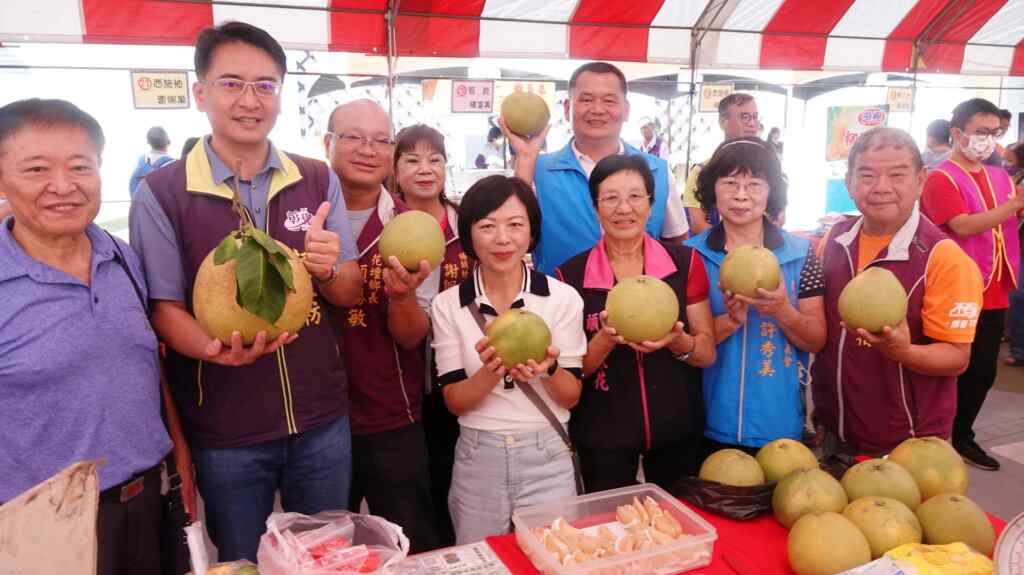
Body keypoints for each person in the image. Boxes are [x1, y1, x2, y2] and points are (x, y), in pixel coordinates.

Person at [129, 22, 362, 561]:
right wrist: (214, 350)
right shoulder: (162, 194)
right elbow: (163, 308)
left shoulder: (315, 178)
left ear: (281, 95)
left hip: (320, 419)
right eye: (232, 83)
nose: (249, 100)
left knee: (326, 558)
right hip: (226, 427)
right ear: (201, 93)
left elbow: (348, 292)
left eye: (265, 85)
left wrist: (327, 271)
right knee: (242, 561)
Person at [0, 98, 195, 574]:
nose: (62, 186)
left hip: (151, 501)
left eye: (80, 166)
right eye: (37, 169)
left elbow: (144, 365)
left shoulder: (122, 257)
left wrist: (181, 460)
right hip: (43, 526)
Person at [431, 175, 586, 544]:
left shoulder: (561, 298)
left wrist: (547, 369)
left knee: (553, 560)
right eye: (487, 226)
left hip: (546, 453)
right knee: (481, 562)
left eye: (515, 225)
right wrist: (490, 370)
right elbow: (455, 401)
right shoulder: (448, 304)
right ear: (469, 235)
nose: (502, 239)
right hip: (477, 456)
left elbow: (571, 395)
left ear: (531, 232)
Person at [814, 127, 983, 458]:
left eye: (896, 175)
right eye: (867, 175)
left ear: (921, 180)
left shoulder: (942, 256)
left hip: (908, 445)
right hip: (834, 430)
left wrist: (903, 351)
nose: (881, 188)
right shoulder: (835, 238)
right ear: (849, 183)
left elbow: (956, 357)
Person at [557, 155, 715, 492]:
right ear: (596, 206)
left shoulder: (686, 263)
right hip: (602, 434)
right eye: (610, 198)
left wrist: (678, 342)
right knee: (609, 531)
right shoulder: (569, 276)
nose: (623, 208)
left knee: (678, 531)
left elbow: (706, 353)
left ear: (651, 204)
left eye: (635, 196)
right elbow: (570, 373)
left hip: (678, 427)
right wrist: (604, 338)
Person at [324, 100, 439, 553]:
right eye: (353, 137)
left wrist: (403, 295)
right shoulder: (300, 218)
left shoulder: (412, 227)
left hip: (391, 411)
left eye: (381, 140)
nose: (368, 150)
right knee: (328, 547)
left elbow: (413, 336)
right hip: (317, 421)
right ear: (327, 143)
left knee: (410, 542)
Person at [686, 138, 825, 454]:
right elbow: (684, 343)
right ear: (712, 189)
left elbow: (816, 339)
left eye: (755, 184)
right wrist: (731, 321)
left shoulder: (802, 255)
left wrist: (782, 310)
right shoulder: (689, 257)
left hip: (779, 422)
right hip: (703, 420)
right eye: (730, 182)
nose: (741, 195)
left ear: (771, 191)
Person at [505, 61, 689, 275]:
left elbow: (676, 241)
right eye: (586, 99)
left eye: (609, 101)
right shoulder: (538, 171)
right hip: (560, 302)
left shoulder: (657, 170)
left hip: (639, 302)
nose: (598, 109)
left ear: (626, 110)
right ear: (567, 108)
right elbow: (513, 236)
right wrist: (526, 159)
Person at [921, 98, 1020, 471]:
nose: (988, 141)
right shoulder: (941, 177)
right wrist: (1012, 207)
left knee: (982, 371)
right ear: (957, 133)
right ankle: (935, 436)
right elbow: (961, 225)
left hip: (995, 287)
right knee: (949, 367)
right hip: (957, 288)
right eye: (981, 132)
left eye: (994, 134)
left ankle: (961, 435)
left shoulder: (999, 177)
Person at [392, 123, 472, 548]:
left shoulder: (467, 222)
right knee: (412, 481)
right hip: (400, 376)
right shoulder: (383, 224)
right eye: (412, 159)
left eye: (434, 159)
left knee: (452, 468)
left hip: (459, 373)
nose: (425, 169)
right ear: (396, 169)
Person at [683, 93, 760, 235]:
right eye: (744, 117)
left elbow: (777, 217)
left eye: (755, 117)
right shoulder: (702, 172)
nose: (752, 123)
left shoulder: (766, 170)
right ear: (722, 121)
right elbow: (698, 224)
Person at [129, 126, 174, 198]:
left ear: (148, 142)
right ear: (168, 142)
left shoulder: (140, 161)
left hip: (140, 207)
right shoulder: (173, 165)